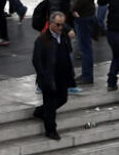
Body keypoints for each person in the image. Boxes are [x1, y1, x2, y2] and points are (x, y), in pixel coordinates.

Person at [31, 12, 75, 141]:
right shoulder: (42, 39)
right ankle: (51, 130)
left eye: (62, 25)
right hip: (49, 77)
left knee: (63, 98)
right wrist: (43, 75)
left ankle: (40, 111)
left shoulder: (64, 37)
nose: (61, 27)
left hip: (62, 75)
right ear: (51, 24)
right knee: (50, 104)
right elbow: (36, 60)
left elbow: (67, 54)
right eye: (58, 25)